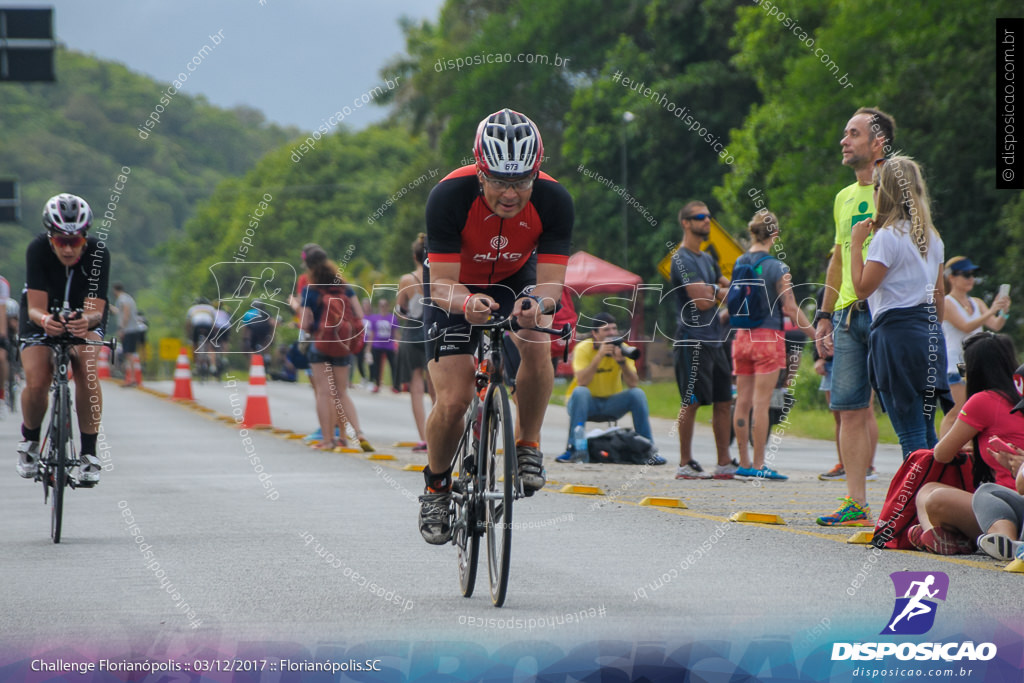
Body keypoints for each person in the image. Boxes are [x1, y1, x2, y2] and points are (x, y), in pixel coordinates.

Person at [418, 107, 573, 545]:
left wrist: (536, 305)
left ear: (536, 171)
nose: (511, 193)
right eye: (500, 181)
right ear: (479, 170)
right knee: (455, 397)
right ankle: (436, 487)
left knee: (536, 339)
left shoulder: (554, 200)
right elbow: (441, 285)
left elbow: (551, 285)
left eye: (521, 180)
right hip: (456, 287)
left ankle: (527, 446)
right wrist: (466, 302)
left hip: (513, 280)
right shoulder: (449, 196)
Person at [814, 107, 893, 527]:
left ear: (878, 143)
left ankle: (915, 500)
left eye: (854, 133)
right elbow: (837, 260)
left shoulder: (897, 191)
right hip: (846, 314)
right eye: (845, 133)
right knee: (848, 409)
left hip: (889, 314)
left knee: (903, 406)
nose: (844, 140)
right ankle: (856, 502)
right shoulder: (844, 197)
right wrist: (824, 315)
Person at [848, 155, 949, 458]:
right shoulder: (931, 237)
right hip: (930, 334)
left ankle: (917, 500)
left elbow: (863, 288)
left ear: (883, 191)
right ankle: (933, 497)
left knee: (910, 432)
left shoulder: (887, 238)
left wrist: (855, 245)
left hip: (896, 336)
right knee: (928, 430)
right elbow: (939, 294)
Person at [16, 193, 110, 483]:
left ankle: (89, 453)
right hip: (42, 315)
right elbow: (35, 308)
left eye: (76, 241)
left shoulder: (98, 253)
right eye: (61, 241)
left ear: (85, 237)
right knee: (38, 379)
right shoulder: (37, 250)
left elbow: (96, 309)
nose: (69, 249)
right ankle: (30, 441)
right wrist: (47, 321)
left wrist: (87, 321)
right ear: (50, 236)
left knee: (87, 369)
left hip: (84, 317)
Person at [909, 333, 1019, 554]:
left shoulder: (985, 400)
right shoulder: (1018, 398)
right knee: (932, 491)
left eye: (964, 369)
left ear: (975, 370)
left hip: (1005, 505)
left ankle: (932, 534)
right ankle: (947, 538)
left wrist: (967, 445)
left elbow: (941, 454)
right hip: (1013, 503)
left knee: (931, 494)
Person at [729, 211, 814, 481]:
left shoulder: (739, 262)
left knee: (741, 402)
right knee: (761, 404)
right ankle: (759, 463)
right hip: (767, 338)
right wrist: (814, 332)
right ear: (774, 236)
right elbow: (789, 307)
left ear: (752, 232)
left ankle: (742, 463)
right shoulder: (778, 267)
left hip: (742, 337)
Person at [670, 201, 734, 480]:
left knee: (723, 401)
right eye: (700, 217)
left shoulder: (707, 259)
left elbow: (729, 293)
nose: (707, 221)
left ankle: (724, 462)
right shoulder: (681, 259)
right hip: (690, 340)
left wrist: (716, 291)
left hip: (714, 340)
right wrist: (718, 292)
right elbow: (702, 301)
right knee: (692, 400)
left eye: (708, 216)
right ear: (686, 223)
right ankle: (685, 463)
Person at [556, 312, 663, 464]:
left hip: (611, 404)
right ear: (594, 333)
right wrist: (599, 356)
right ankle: (573, 449)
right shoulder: (583, 348)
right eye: (606, 330)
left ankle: (647, 450)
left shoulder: (623, 348)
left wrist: (622, 363)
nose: (612, 333)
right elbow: (581, 381)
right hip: (584, 404)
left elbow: (633, 383)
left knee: (637, 394)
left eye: (614, 329)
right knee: (581, 392)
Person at [298, 249, 372, 452]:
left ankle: (329, 439)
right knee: (342, 392)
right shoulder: (344, 286)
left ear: (308, 267)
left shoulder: (310, 289)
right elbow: (359, 315)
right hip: (342, 344)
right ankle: (357, 434)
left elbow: (304, 323)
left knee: (324, 393)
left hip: (320, 344)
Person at [939, 256, 1010, 437]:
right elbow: (966, 326)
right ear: (952, 278)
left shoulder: (976, 302)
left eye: (972, 275)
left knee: (975, 411)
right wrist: (992, 310)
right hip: (956, 363)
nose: (971, 279)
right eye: (966, 274)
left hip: (975, 363)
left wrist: (1003, 312)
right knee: (957, 411)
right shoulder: (947, 302)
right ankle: (942, 453)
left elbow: (995, 325)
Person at [396, 233, 434, 452]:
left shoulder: (407, 279)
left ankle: (424, 437)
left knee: (416, 387)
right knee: (436, 387)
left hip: (412, 334)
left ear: (415, 256)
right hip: (433, 333)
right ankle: (438, 435)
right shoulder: (437, 276)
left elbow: (401, 308)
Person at [111, 283, 146, 388]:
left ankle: (132, 378)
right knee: (129, 353)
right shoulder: (127, 298)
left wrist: (122, 328)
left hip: (129, 330)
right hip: (132, 329)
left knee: (129, 354)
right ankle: (132, 378)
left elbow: (126, 311)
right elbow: (119, 312)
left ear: (115, 290)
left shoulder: (123, 299)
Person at [366, 298, 399, 393]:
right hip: (377, 345)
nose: (383, 307)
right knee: (376, 366)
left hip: (389, 346)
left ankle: (396, 386)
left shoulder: (392, 318)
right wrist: (369, 347)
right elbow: (372, 333)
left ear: (388, 306)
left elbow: (395, 332)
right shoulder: (374, 318)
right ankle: (377, 384)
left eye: (384, 305)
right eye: (381, 305)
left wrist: (398, 344)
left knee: (393, 365)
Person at [0, 275, 9, 405]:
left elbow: (2, 310)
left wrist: (2, 334)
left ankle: (1, 394)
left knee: (1, 358)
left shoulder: (2, 283)